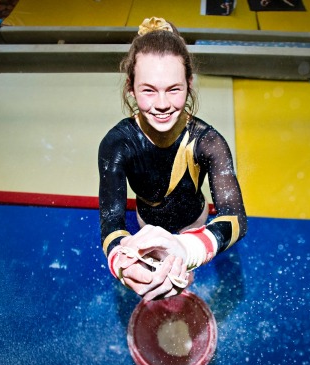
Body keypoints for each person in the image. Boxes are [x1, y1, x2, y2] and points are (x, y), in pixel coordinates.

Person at [98, 17, 247, 301]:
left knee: (183, 277)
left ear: (189, 84)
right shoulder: (116, 144)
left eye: (174, 89)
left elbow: (236, 217)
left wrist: (187, 249)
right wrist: (122, 258)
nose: (163, 104)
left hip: (195, 222)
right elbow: (111, 223)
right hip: (148, 224)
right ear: (131, 87)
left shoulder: (208, 142)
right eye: (148, 90)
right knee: (158, 284)